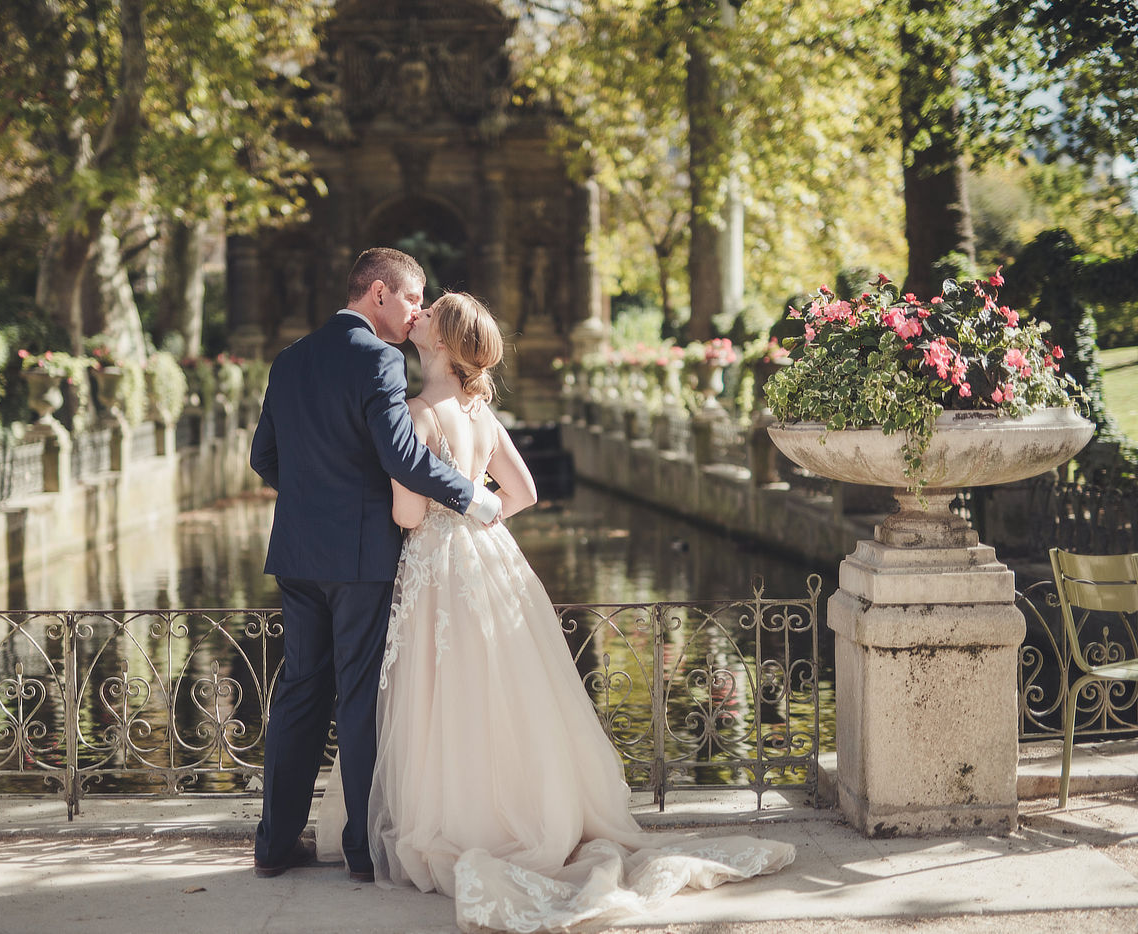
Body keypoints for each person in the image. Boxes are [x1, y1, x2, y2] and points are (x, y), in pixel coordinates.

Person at [320, 292, 795, 933]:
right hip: (488, 558)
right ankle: (523, 811)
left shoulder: (418, 414)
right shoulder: (480, 413)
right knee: (503, 688)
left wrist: (429, 518)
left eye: (429, 314)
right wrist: (473, 520)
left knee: (442, 692)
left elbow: (406, 514)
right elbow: (524, 492)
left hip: (435, 563)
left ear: (440, 343)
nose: (419, 316)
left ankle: (463, 818)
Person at [249, 248, 503, 883]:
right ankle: (362, 853)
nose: (420, 312)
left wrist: (314, 500)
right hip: (360, 557)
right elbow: (402, 460)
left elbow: (264, 458)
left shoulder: (290, 358)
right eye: (414, 299)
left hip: (299, 553)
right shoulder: (380, 359)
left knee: (301, 692)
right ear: (380, 294)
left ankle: (274, 846)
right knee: (359, 698)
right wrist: (474, 497)